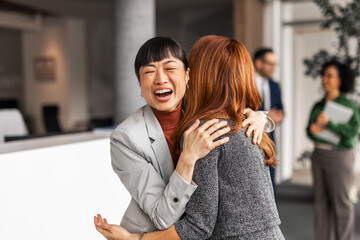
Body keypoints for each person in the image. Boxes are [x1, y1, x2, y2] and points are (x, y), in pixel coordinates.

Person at [94, 35, 284, 240]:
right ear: (139, 83)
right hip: (158, 229)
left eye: (170, 68)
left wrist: (259, 117)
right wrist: (188, 157)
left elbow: (233, 117)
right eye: (148, 72)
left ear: (188, 75)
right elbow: (163, 216)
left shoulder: (206, 119)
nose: (160, 79)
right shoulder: (126, 138)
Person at [307, 60, 360, 240]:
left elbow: (353, 132)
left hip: (340, 157)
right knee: (320, 204)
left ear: (340, 80)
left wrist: (329, 123)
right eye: (324, 75)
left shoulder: (349, 105)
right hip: (319, 155)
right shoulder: (318, 105)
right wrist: (312, 130)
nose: (325, 79)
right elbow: (310, 129)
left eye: (330, 75)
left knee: (341, 204)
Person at [253, 48, 284, 197]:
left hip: (270, 139)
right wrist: (267, 116)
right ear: (259, 63)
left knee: (270, 177)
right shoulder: (247, 84)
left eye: (275, 64)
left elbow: (280, 110)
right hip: (251, 138)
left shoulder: (275, 86)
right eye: (270, 64)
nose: (274, 68)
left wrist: (278, 116)